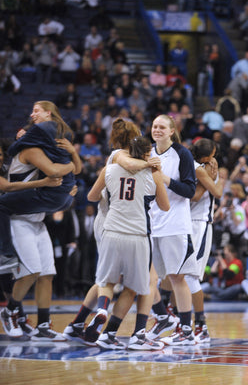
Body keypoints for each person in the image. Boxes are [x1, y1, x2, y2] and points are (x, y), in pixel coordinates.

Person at [62, 119, 162, 345]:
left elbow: (92, 195)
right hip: (117, 222)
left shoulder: (114, 161)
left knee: (104, 279)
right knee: (125, 281)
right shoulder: (120, 156)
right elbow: (135, 167)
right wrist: (151, 165)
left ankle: (78, 323)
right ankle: (122, 329)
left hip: (112, 222)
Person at [87, 136, 170, 350]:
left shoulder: (110, 170)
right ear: (147, 154)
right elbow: (165, 206)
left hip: (111, 232)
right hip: (138, 236)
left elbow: (92, 196)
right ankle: (133, 336)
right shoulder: (153, 174)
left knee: (106, 281)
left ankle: (102, 310)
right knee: (135, 288)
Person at [0, 101, 82, 272]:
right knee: (45, 274)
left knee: (2, 205)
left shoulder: (37, 136)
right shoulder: (64, 132)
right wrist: (72, 159)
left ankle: (6, 255)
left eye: (36, 111)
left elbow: (12, 151)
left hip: (49, 195)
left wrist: (22, 138)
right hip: (65, 197)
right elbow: (78, 168)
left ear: (48, 113)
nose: (32, 114)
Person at [0, 143, 71, 339]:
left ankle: (42, 326)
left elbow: (70, 169)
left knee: (47, 274)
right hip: (17, 222)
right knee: (30, 272)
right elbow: (6, 187)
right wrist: (45, 183)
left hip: (37, 223)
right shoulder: (22, 162)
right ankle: (10, 312)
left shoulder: (30, 165)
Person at [146, 115, 197, 345]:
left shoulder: (182, 154)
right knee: (145, 278)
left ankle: (187, 331)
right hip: (150, 224)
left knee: (177, 277)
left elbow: (189, 190)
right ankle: (163, 317)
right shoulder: (146, 153)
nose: (157, 130)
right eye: (154, 126)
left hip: (175, 224)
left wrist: (164, 179)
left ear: (171, 131)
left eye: (162, 127)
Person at [185, 138, 225, 342]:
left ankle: (181, 323)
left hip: (189, 222)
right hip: (197, 222)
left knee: (180, 275)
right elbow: (217, 192)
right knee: (188, 276)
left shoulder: (194, 165)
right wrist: (217, 178)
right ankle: (197, 325)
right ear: (209, 155)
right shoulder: (202, 169)